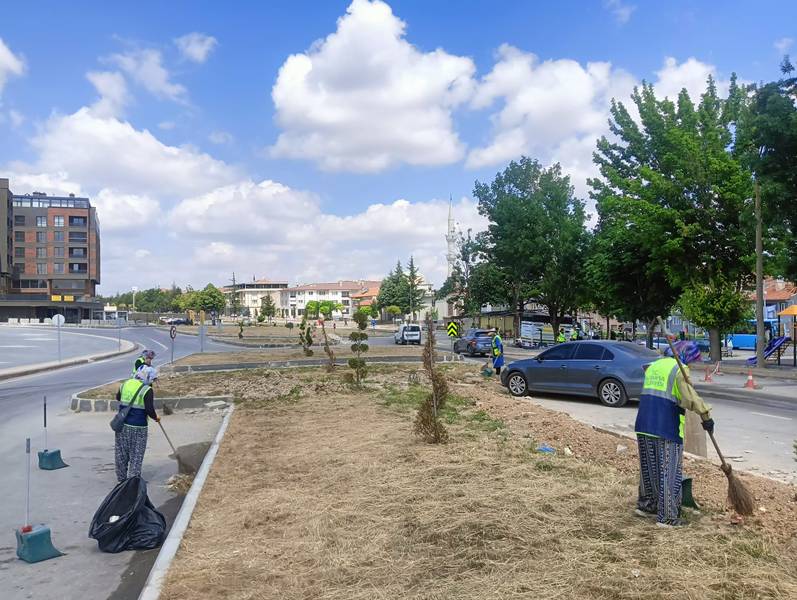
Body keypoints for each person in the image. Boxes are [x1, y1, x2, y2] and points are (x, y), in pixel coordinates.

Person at [634, 341, 714, 528]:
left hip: (644, 423)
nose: (692, 365)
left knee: (649, 469)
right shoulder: (678, 369)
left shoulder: (655, 365)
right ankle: (668, 517)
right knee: (669, 472)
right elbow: (690, 398)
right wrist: (706, 415)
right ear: (686, 355)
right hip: (666, 426)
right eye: (693, 361)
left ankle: (647, 506)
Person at [114, 366, 159, 482]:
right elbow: (149, 410)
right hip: (139, 427)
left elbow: (118, 397)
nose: (152, 382)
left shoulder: (125, 384)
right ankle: (133, 481)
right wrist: (156, 417)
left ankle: (121, 479)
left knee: (121, 453)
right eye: (152, 379)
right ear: (148, 377)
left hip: (122, 425)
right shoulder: (147, 390)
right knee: (136, 454)